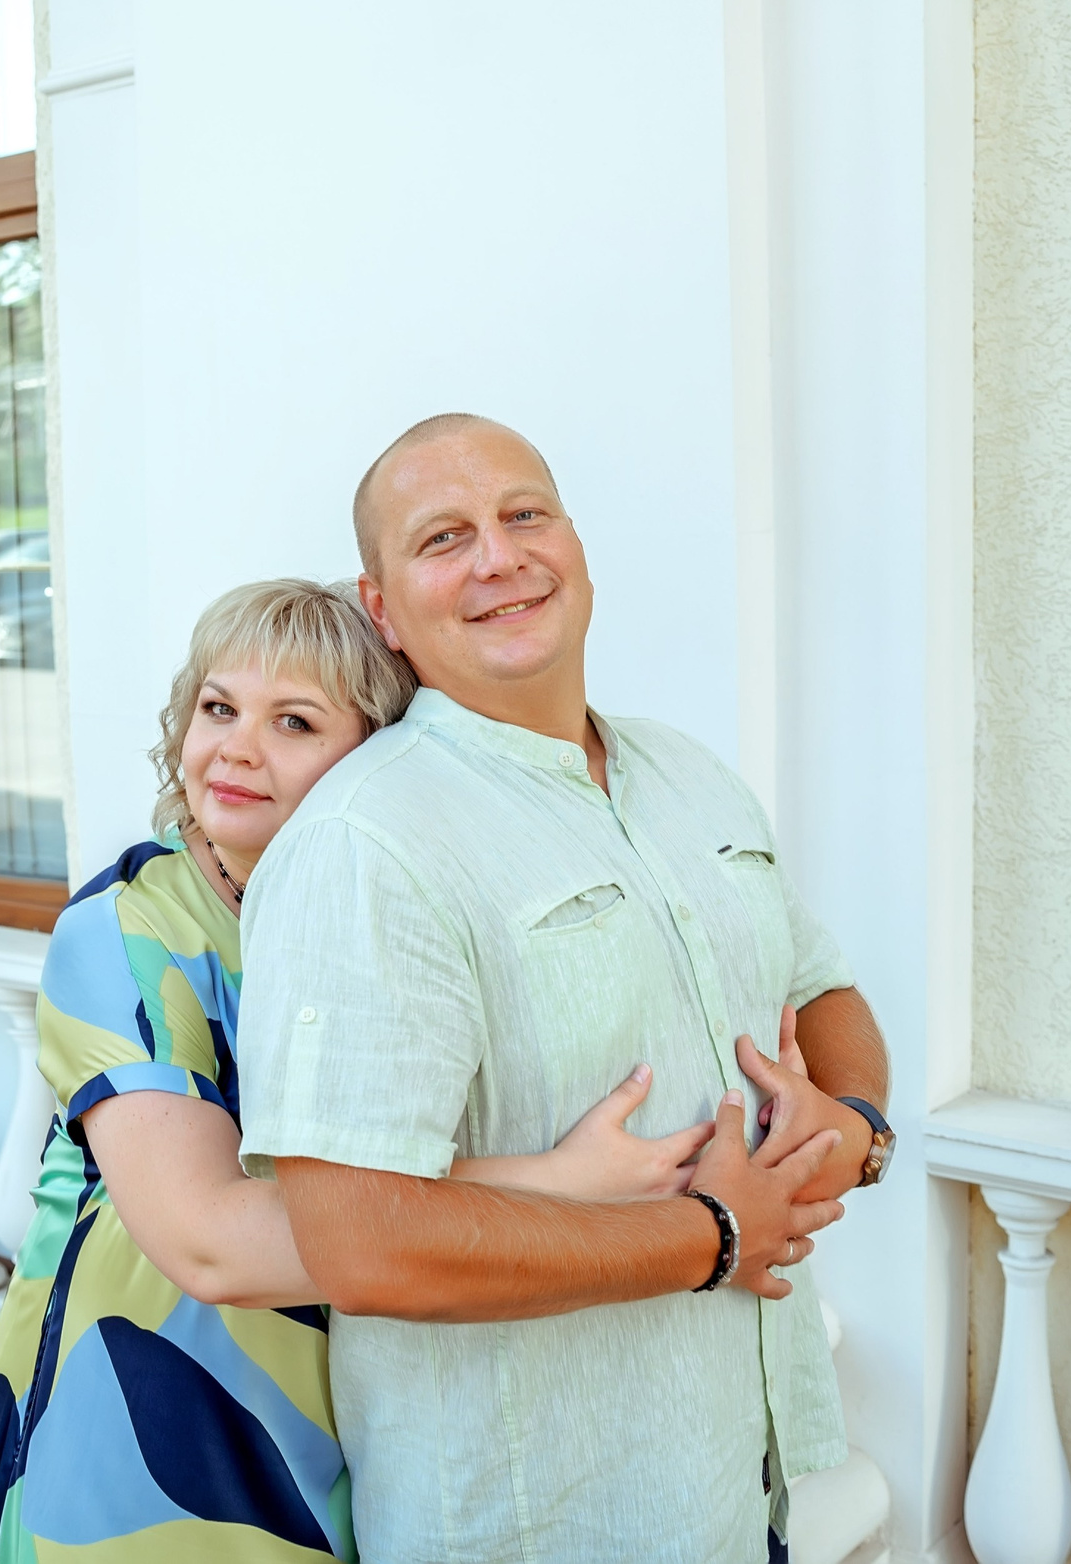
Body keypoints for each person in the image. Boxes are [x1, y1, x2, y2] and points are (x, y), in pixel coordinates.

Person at [0, 578, 739, 1564]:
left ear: (378, 756)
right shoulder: (127, 927)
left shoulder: (370, 911)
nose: (237, 748)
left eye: (293, 722)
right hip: (142, 1428)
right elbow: (211, 1241)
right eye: (218, 708)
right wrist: (560, 1183)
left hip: (332, 1420)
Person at [236, 415, 893, 1564]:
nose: (499, 556)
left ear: (575, 544)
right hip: (541, 1520)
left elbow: (822, 988)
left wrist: (856, 1125)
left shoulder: (691, 776)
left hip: (744, 1488)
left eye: (523, 514)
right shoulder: (366, 842)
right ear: (382, 606)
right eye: (443, 537)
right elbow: (359, 1242)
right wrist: (711, 1234)